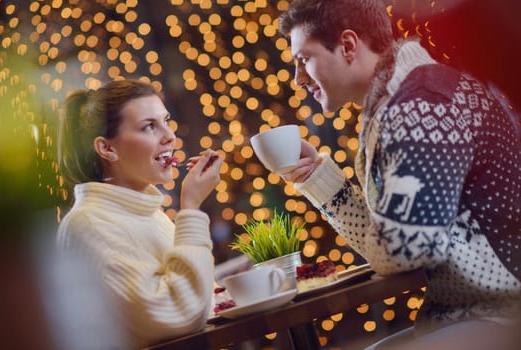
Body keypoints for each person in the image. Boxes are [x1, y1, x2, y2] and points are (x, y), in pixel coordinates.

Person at [276, 0, 521, 348]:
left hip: (502, 318)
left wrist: (391, 239)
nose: (298, 79)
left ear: (348, 45)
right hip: (464, 314)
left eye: (304, 60)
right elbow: (394, 241)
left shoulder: (423, 104)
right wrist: (318, 177)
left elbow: (404, 250)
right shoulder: (398, 100)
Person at [56, 79, 223, 348]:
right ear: (107, 148)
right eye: (149, 127)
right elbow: (180, 315)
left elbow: (204, 299)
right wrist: (191, 206)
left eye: (166, 121)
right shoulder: (87, 224)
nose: (170, 136)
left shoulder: (149, 213)